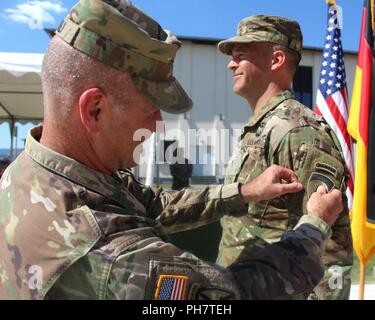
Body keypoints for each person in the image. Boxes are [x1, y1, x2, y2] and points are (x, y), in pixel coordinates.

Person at [0, 0, 342, 300]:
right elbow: (223, 298)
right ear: (95, 110)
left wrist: (242, 191)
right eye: (150, 110)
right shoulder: (105, 247)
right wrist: (314, 226)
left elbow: (153, 204)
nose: (155, 125)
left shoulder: (31, 173)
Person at [216, 15, 353, 299]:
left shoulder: (297, 131)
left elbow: (329, 247)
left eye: (240, 55)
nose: (231, 63)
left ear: (276, 60)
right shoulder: (264, 127)